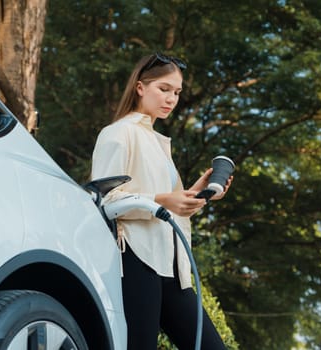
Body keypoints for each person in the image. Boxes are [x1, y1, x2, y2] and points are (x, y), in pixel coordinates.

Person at [91, 52, 231, 350]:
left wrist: (195, 195)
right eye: (164, 89)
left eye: (177, 92)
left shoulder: (156, 141)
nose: (171, 98)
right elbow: (104, 203)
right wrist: (165, 202)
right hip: (136, 259)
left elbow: (167, 207)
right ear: (140, 87)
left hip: (172, 267)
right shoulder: (118, 134)